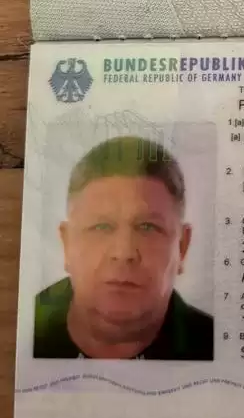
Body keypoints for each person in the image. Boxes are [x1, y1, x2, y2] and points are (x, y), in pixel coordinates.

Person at [33, 135, 213, 360]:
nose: (123, 252)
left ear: (182, 247)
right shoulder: (21, 330)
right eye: (101, 226)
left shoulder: (216, 346)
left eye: (147, 227)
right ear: (67, 244)